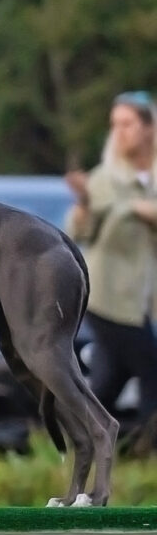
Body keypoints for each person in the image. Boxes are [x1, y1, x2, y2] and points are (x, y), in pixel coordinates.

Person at [69, 92, 157, 441]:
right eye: (114, 125)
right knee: (152, 371)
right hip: (108, 295)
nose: (119, 132)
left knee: (109, 379)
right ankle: (149, 450)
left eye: (127, 124)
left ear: (148, 128)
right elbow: (79, 232)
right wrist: (85, 207)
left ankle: (79, 439)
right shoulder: (106, 178)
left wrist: (137, 208)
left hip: (142, 298)